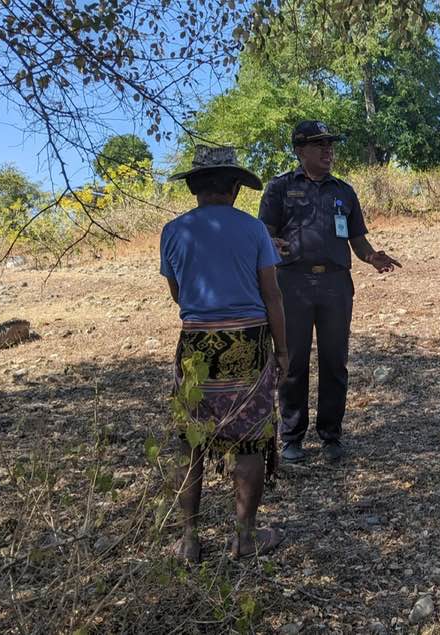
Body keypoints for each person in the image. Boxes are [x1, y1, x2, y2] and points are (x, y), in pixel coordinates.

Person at [160, 145, 289, 563]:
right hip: (247, 343)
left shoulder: (173, 231)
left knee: (191, 441)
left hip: (196, 344)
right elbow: (272, 295)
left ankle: (190, 539)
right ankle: (244, 537)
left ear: (195, 187)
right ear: (234, 188)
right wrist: (283, 351)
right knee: (250, 442)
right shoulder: (253, 231)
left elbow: (178, 293)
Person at [259, 120, 401, 465]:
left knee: (335, 362)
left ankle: (331, 435)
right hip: (292, 283)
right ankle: (292, 437)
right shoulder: (279, 188)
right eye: (318, 144)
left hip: (336, 284)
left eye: (330, 144)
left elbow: (356, 238)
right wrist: (271, 242)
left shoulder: (344, 191)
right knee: (292, 363)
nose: (327, 151)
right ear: (299, 150)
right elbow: (263, 233)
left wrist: (371, 256)